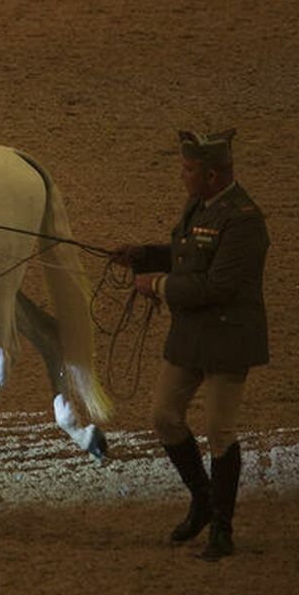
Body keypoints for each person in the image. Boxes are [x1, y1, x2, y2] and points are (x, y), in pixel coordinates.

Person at [114, 128, 270, 562]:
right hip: (191, 334)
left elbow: (217, 285)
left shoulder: (244, 221)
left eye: (188, 169)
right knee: (164, 416)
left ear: (213, 174)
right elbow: (188, 254)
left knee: (220, 431)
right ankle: (202, 498)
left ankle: (222, 525)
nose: (182, 176)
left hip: (227, 336)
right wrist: (143, 254)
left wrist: (158, 285)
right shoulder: (202, 205)